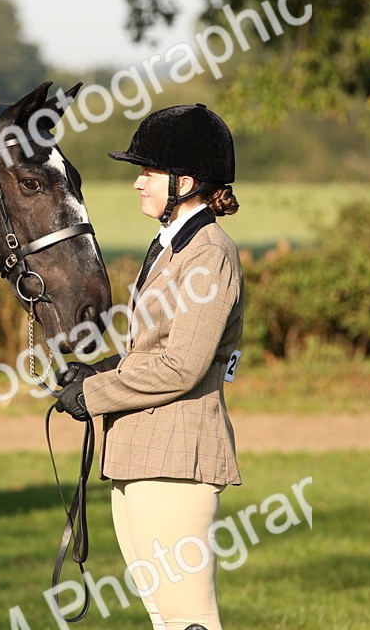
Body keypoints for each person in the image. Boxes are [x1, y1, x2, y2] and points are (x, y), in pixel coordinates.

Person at [54, 103, 243, 630]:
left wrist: (94, 396)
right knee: (164, 616)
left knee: (188, 618)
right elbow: (157, 346)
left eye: (148, 173)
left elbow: (182, 365)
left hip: (175, 460)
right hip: (142, 455)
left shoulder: (209, 254)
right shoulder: (172, 248)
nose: (138, 184)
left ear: (186, 182)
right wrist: (100, 370)